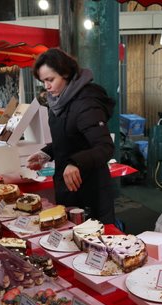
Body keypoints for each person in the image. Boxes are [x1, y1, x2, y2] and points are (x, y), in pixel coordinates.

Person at [27, 48, 116, 225]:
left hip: (90, 191)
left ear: (66, 73)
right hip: (67, 187)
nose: (47, 86)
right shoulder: (58, 102)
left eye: (50, 80)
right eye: (43, 81)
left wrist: (75, 162)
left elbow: (105, 147)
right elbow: (68, 139)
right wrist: (46, 153)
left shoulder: (86, 103)